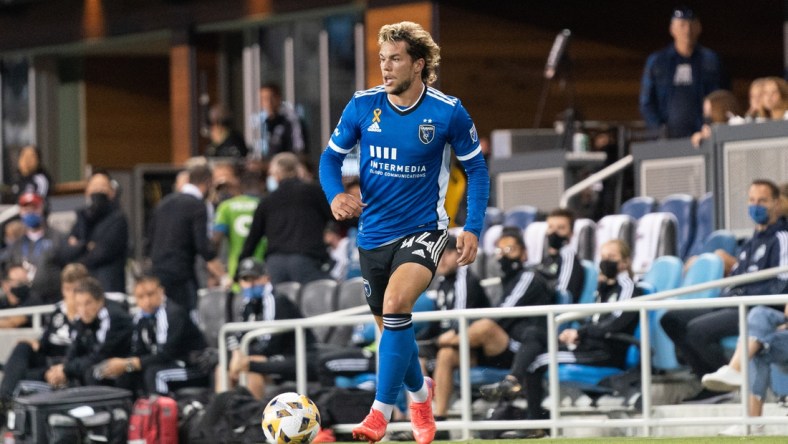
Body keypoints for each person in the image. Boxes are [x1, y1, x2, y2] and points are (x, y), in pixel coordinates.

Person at [318, 20, 489, 444]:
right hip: (373, 235)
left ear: (419, 64)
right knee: (392, 329)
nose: (386, 67)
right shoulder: (362, 106)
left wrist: (473, 226)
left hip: (425, 231)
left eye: (395, 59)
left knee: (396, 305)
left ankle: (379, 413)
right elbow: (328, 161)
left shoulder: (448, 111)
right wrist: (335, 195)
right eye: (382, 59)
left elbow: (478, 170)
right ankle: (420, 392)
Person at [478, 239, 641, 438]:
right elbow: (596, 321)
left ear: (625, 262)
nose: (606, 261)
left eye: (612, 257)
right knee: (534, 334)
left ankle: (534, 421)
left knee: (537, 362)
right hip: (588, 346)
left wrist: (581, 333)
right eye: (603, 257)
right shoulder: (605, 288)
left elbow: (616, 322)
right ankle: (518, 391)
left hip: (606, 351)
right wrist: (577, 335)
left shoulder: (627, 286)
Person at [661, 179, 788, 403]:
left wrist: (743, 296)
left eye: (762, 201)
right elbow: (738, 277)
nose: (755, 205)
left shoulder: (782, 238)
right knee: (671, 319)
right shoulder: (751, 241)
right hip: (732, 303)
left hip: (755, 309)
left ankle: (724, 386)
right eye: (752, 200)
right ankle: (711, 380)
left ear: (777, 203)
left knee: (696, 330)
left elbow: (781, 284)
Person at [431, 228, 553, 428]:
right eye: (500, 250)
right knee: (445, 355)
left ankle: (443, 343)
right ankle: (439, 421)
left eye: (510, 249)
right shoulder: (507, 279)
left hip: (520, 346)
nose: (504, 255)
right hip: (495, 347)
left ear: (524, 253)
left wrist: (447, 338)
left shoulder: (528, 276)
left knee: (485, 326)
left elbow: (503, 312)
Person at [93, 275, 209, 396]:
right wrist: (124, 365)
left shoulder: (173, 314)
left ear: (161, 291)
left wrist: (127, 364)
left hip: (191, 366)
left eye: (151, 294)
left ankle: (161, 412)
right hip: (163, 364)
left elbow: (165, 355)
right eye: (141, 297)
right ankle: (128, 411)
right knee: (125, 374)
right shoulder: (140, 318)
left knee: (155, 374)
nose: (147, 301)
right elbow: (138, 351)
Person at [221, 258, 317, 399]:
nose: (251, 284)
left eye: (255, 278)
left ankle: (253, 416)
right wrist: (235, 354)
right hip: (271, 357)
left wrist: (242, 358)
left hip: (294, 357)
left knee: (248, 367)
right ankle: (225, 415)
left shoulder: (276, 300)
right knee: (223, 368)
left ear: (266, 278)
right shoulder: (248, 304)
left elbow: (269, 345)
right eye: (246, 279)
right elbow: (239, 336)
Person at [0, 264, 88, 408]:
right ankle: (4, 400)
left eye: (74, 290)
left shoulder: (87, 312)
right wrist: (37, 344)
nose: (70, 295)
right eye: (66, 289)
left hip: (68, 360)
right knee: (23, 347)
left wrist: (75, 316)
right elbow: (46, 340)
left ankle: (6, 399)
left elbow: (84, 345)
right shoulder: (59, 310)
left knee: (17, 374)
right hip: (48, 359)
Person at [239, 152, 331, 286]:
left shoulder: (267, 201)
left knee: (279, 304)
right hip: (306, 260)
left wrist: (238, 270)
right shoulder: (314, 192)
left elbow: (252, 239)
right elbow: (338, 216)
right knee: (318, 301)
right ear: (298, 170)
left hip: (275, 264)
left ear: (275, 174)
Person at [639, 7, 727, 138]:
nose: (687, 30)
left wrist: (709, 126)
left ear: (699, 28)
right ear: (672, 29)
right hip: (666, 139)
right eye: (682, 25)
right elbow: (646, 102)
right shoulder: (657, 62)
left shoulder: (711, 60)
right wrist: (659, 130)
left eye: (691, 25)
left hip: (704, 137)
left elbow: (722, 97)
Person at [146, 163, 224, 311]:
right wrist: (222, 275)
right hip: (181, 275)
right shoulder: (197, 206)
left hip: (157, 272)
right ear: (208, 183)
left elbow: (149, 239)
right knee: (185, 319)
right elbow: (202, 246)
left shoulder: (164, 202)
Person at [46, 277, 132, 388]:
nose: (83, 310)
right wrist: (62, 368)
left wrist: (66, 369)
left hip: (126, 364)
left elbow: (99, 355)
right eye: (79, 304)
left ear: (100, 300)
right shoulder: (84, 317)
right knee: (53, 367)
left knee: (91, 373)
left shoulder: (112, 316)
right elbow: (75, 347)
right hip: (101, 361)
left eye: (88, 303)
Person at [60, 170, 129, 293]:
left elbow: (102, 252)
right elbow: (66, 251)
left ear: (112, 192)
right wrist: (87, 245)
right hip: (81, 290)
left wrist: (79, 251)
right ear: (87, 192)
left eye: (102, 187)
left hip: (108, 288)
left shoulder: (118, 219)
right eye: (95, 187)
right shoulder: (82, 218)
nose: (98, 191)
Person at [212, 170, 266, 320]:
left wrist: (214, 270)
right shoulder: (265, 204)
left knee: (238, 317)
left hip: (238, 273)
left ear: (240, 187)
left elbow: (216, 239)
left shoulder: (227, 207)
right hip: (264, 271)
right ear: (262, 186)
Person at [4, 192, 65, 304]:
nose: (30, 212)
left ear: (43, 209)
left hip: (53, 300)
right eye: (26, 209)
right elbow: (7, 270)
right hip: (24, 302)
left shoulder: (58, 238)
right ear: (20, 212)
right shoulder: (16, 244)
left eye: (34, 208)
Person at [537, 208, 584, 304]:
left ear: (571, 233)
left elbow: (563, 295)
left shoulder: (568, 255)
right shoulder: (546, 259)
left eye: (561, 228)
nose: (554, 232)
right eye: (551, 227)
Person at [255, 83, 307, 158]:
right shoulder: (264, 123)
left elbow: (299, 153)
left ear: (279, 98)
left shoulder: (291, 120)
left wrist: (266, 165)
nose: (268, 102)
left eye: (271, 98)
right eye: (263, 99)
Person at [0, 263, 34, 328]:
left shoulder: (32, 299)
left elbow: (11, 323)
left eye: (25, 282)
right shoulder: (3, 302)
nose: (23, 285)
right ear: (5, 285)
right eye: (19, 282)